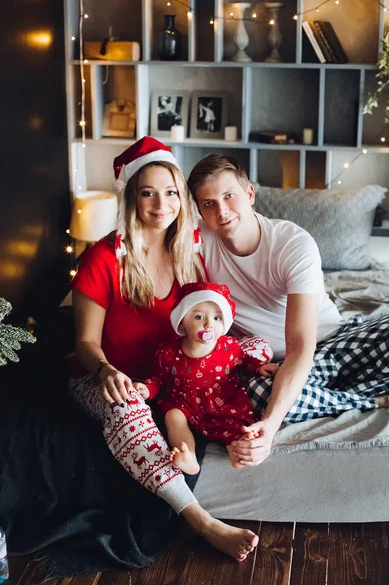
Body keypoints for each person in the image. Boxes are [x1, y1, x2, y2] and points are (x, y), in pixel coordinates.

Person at [69, 137, 259, 561]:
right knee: (125, 407)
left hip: (169, 381)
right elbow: (84, 343)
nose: (162, 204)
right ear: (132, 198)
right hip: (104, 379)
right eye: (148, 193)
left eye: (171, 192)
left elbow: (211, 325)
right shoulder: (103, 258)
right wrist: (105, 372)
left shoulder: (191, 256)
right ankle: (203, 522)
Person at [187, 153, 389, 468]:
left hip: (332, 341)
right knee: (258, 395)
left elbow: (302, 345)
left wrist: (271, 425)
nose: (222, 210)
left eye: (229, 196)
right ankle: (370, 398)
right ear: (200, 212)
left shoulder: (291, 243)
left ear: (249, 194)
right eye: (208, 204)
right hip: (273, 366)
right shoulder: (196, 244)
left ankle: (341, 389)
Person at [132, 281, 279, 474]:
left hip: (221, 400)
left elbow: (244, 361)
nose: (209, 324)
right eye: (199, 317)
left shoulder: (229, 346)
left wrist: (259, 367)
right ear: (182, 321)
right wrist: (147, 389)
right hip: (184, 402)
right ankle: (189, 456)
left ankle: (237, 452)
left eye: (218, 318)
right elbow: (158, 378)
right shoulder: (168, 352)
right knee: (172, 416)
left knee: (236, 425)